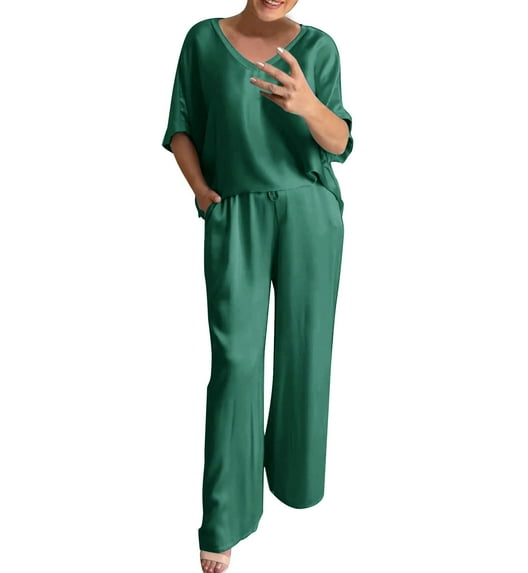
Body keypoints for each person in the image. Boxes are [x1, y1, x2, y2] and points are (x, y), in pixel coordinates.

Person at [161, 1, 353, 571]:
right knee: (236, 362)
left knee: (305, 351)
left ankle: (296, 479)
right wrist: (202, 192)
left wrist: (308, 105)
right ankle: (225, 517)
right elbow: (181, 125)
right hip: (236, 209)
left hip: (308, 209)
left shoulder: (318, 47)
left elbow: (340, 142)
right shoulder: (202, 40)